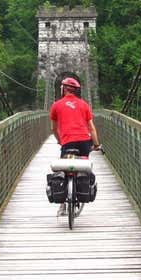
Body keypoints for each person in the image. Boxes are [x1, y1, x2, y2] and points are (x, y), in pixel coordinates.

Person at [49, 77, 100, 215]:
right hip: (84, 141)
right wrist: (96, 145)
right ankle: (82, 189)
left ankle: (62, 206)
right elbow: (92, 128)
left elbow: (54, 129)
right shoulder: (84, 105)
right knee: (83, 166)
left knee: (63, 169)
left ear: (63, 89)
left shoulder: (56, 105)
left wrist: (61, 141)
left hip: (67, 142)